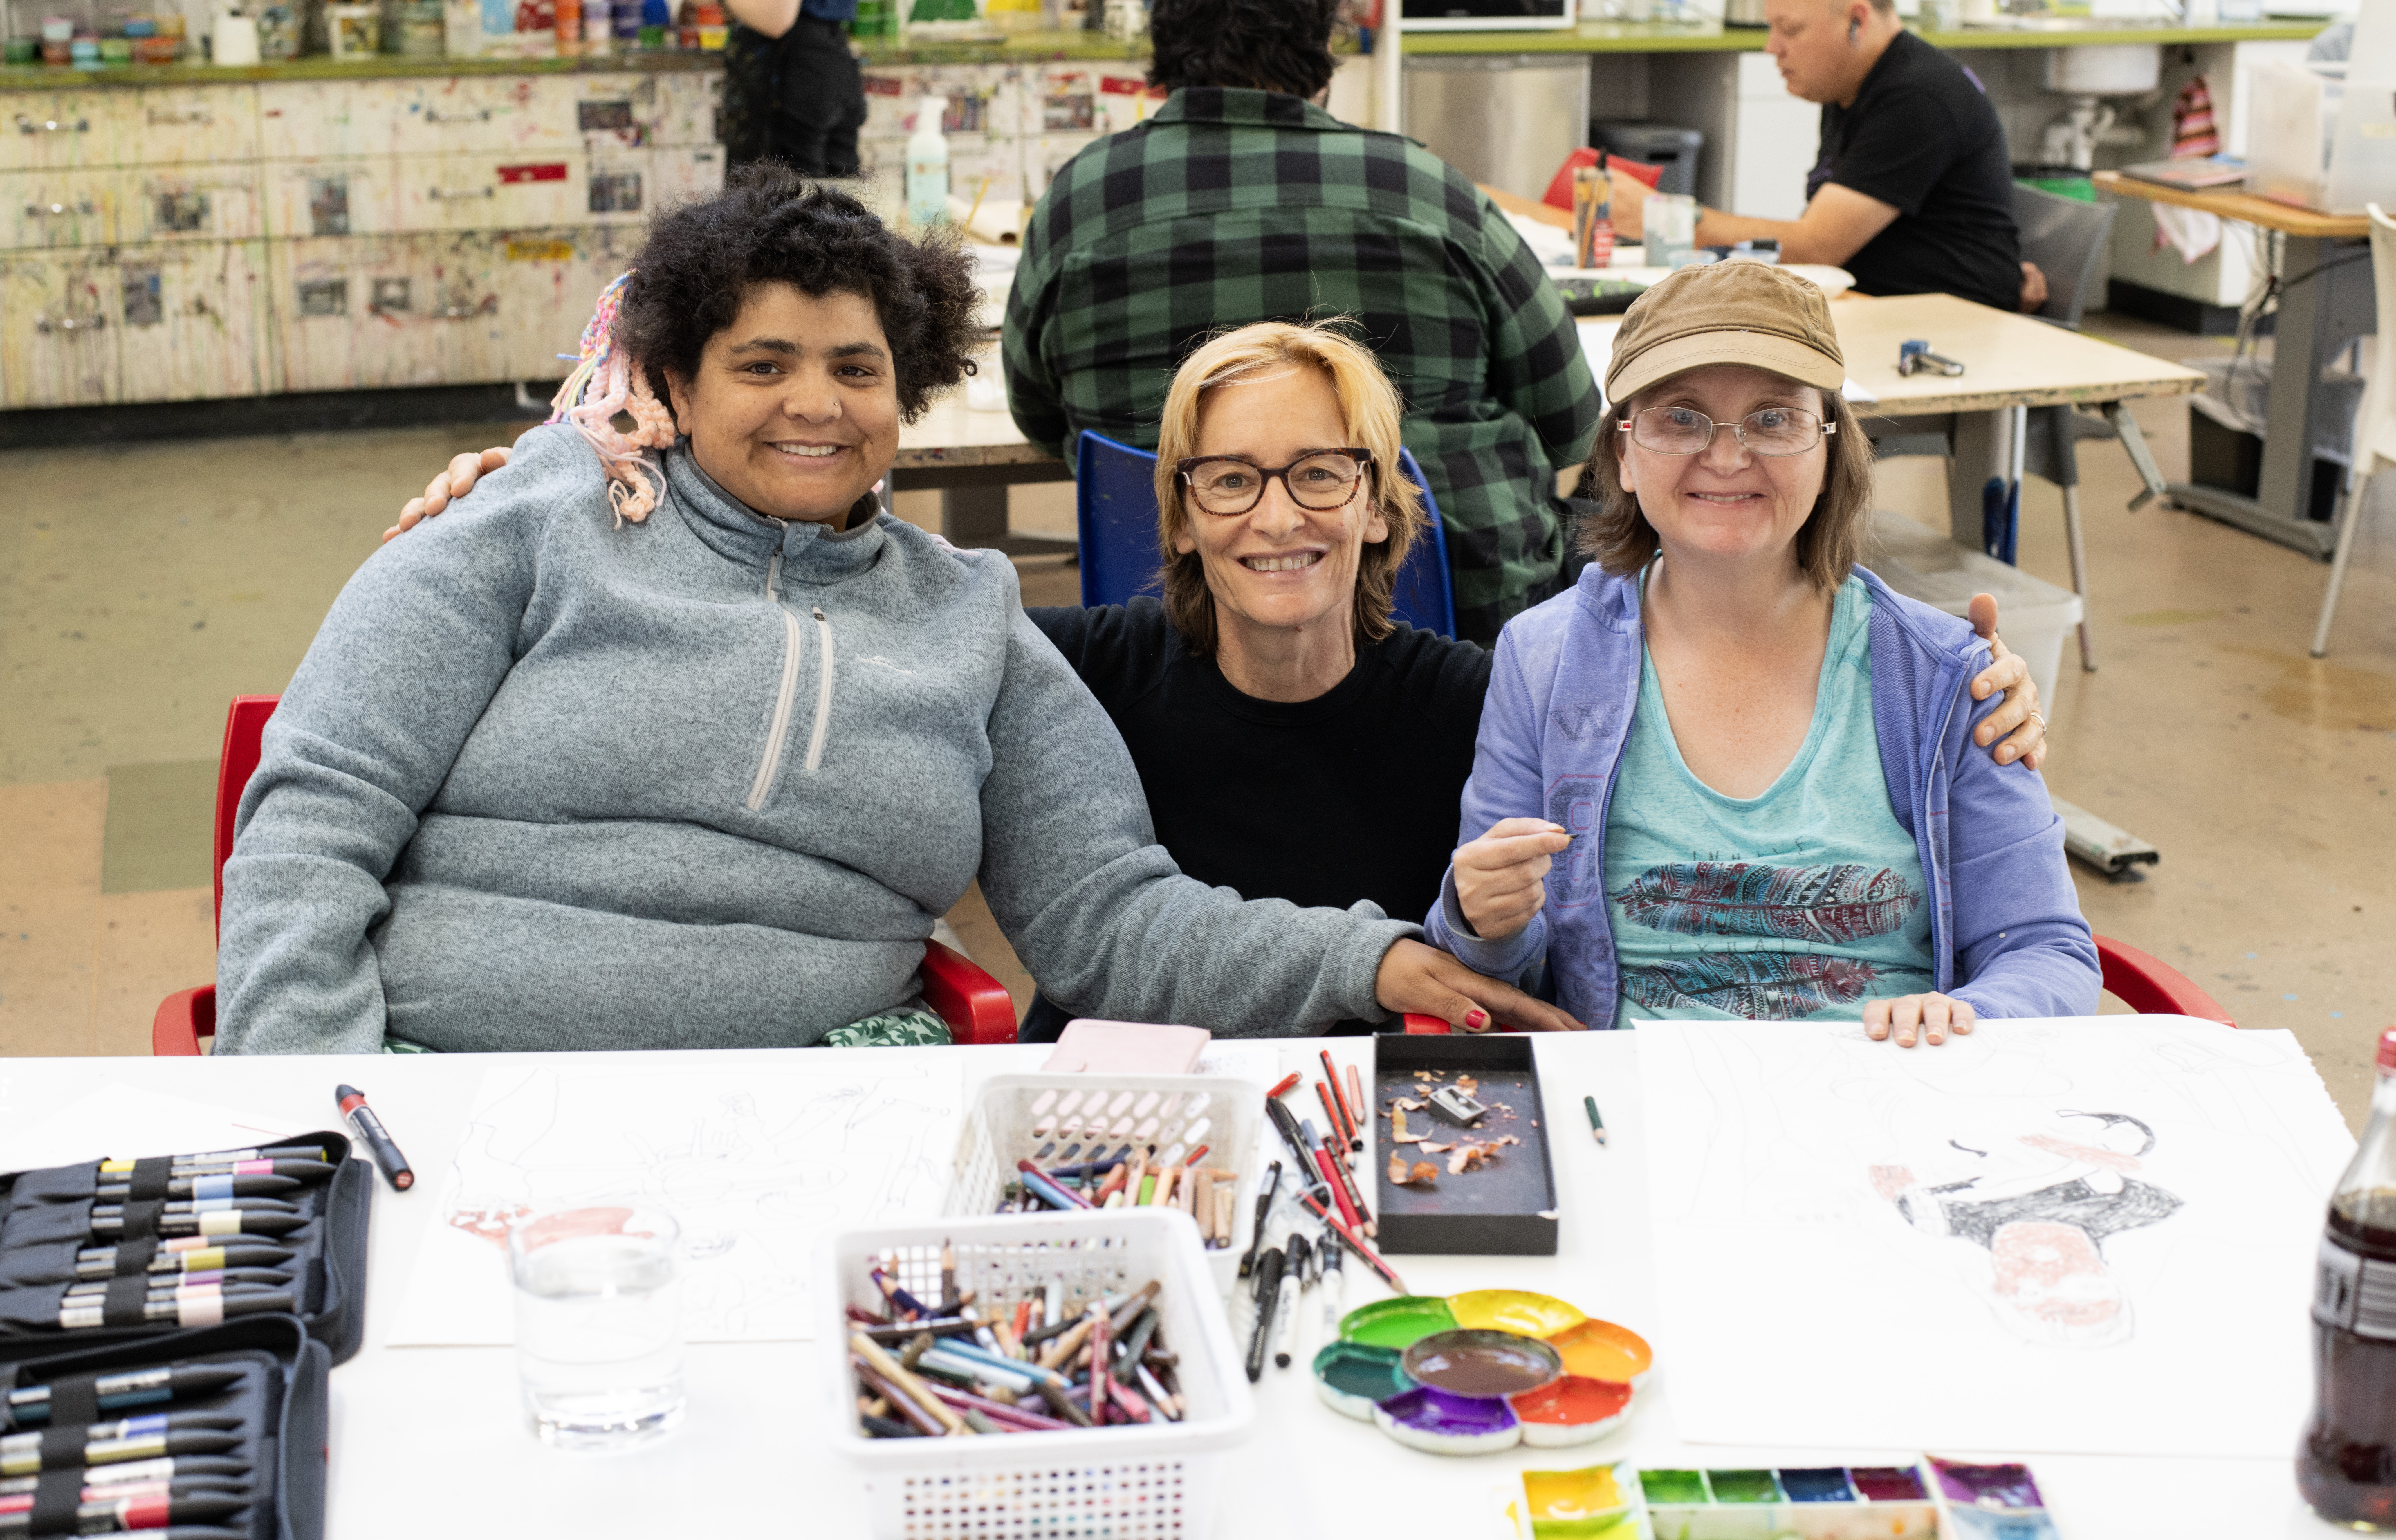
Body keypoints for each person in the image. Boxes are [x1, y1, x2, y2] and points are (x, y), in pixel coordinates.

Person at [391, 317, 2057, 1042]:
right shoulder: (1061, 670)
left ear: (1387, 498)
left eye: (1324, 473)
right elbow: (813, 630)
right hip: (1125, 1119)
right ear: (1171, 510)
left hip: (1379, 1130)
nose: (1278, 515)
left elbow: (1560, 915)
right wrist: (549, 488)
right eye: (1229, 479)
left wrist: (1972, 711)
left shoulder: (1501, 695)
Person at [215, 169, 1571, 1055]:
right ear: (675, 383)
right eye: (763, 364)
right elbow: (316, 814)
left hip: (820, 1122)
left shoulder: (969, 621)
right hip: (448, 1086)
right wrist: (316, 1110)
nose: (814, 402)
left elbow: (1105, 916)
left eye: (855, 368)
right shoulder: (527, 522)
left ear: (904, 396)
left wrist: (1375, 959)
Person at [1428, 262, 2098, 1042]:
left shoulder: (1943, 675)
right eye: (1681, 418)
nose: (1724, 455)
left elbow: (2048, 950)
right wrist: (1481, 920)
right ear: (1623, 453)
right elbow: (1489, 968)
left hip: (1882, 1107)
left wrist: (1971, 1015)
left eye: (1772, 419)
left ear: (1830, 445)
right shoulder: (1542, 660)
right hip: (1641, 1115)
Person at [1000, 0, 1603, 645]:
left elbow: (1041, 420)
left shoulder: (1080, 203)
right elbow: (1569, 419)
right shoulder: (1426, 192)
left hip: (1175, 620)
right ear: (1324, 47)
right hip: (1462, 621)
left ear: (1162, 47)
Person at [1608, 0, 2045, 314]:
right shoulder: (1849, 87)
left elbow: (1815, 247)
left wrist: (1669, 216)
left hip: (1944, 324)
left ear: (1857, 20)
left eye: (1790, 30)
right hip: (1877, 305)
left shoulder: (1919, 97)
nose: (1771, 48)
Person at [683, 0, 866, 176]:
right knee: (840, 194)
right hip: (832, 57)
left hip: (790, 70)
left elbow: (775, 18)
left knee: (781, 196)